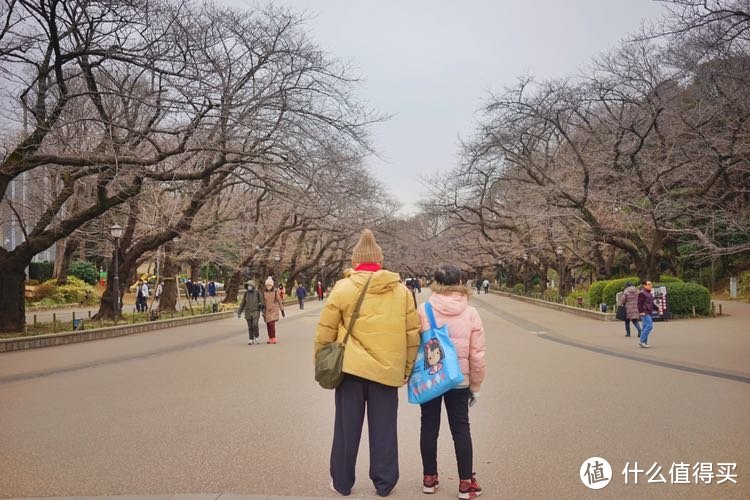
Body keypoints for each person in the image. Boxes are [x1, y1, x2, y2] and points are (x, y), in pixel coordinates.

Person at [315, 229, 420, 498]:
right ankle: (384, 483)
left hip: (350, 369)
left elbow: (325, 331)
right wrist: (407, 368)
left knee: (346, 429)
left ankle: (342, 482)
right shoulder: (401, 292)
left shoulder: (343, 287)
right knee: (384, 429)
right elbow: (412, 335)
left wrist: (321, 360)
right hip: (386, 371)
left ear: (355, 261)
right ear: (380, 261)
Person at [417, 264, 486, 499]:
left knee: (429, 425)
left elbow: (413, 347)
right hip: (459, 379)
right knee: (460, 428)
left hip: (432, 378)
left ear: (435, 282)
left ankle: (429, 478)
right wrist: (475, 385)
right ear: (460, 283)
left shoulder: (423, 310)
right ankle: (466, 483)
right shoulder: (471, 313)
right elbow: (477, 354)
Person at [237, 280, 264, 345]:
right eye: (248, 286)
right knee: (250, 327)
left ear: (253, 286)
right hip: (248, 312)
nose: (249, 287)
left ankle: (256, 336)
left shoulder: (257, 293)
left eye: (250, 286)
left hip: (256, 311)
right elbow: (242, 303)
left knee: (255, 324)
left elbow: (262, 302)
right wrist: (239, 312)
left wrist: (262, 308)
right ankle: (251, 339)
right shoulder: (246, 294)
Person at [637, 280, 661, 348]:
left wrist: (657, 308)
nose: (651, 286)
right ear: (644, 285)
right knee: (649, 326)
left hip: (648, 312)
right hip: (644, 312)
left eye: (651, 284)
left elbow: (651, 303)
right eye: (649, 284)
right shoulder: (642, 293)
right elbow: (639, 304)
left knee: (645, 327)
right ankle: (642, 341)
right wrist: (641, 312)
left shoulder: (649, 294)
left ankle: (644, 342)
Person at [262, 277, 285, 344]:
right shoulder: (264, 293)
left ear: (272, 285)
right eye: (267, 285)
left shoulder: (275, 292)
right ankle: (270, 338)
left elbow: (279, 301)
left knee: (272, 324)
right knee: (268, 325)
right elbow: (263, 301)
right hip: (267, 310)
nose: (268, 287)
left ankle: (273, 337)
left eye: (269, 285)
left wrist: (282, 310)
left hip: (273, 310)